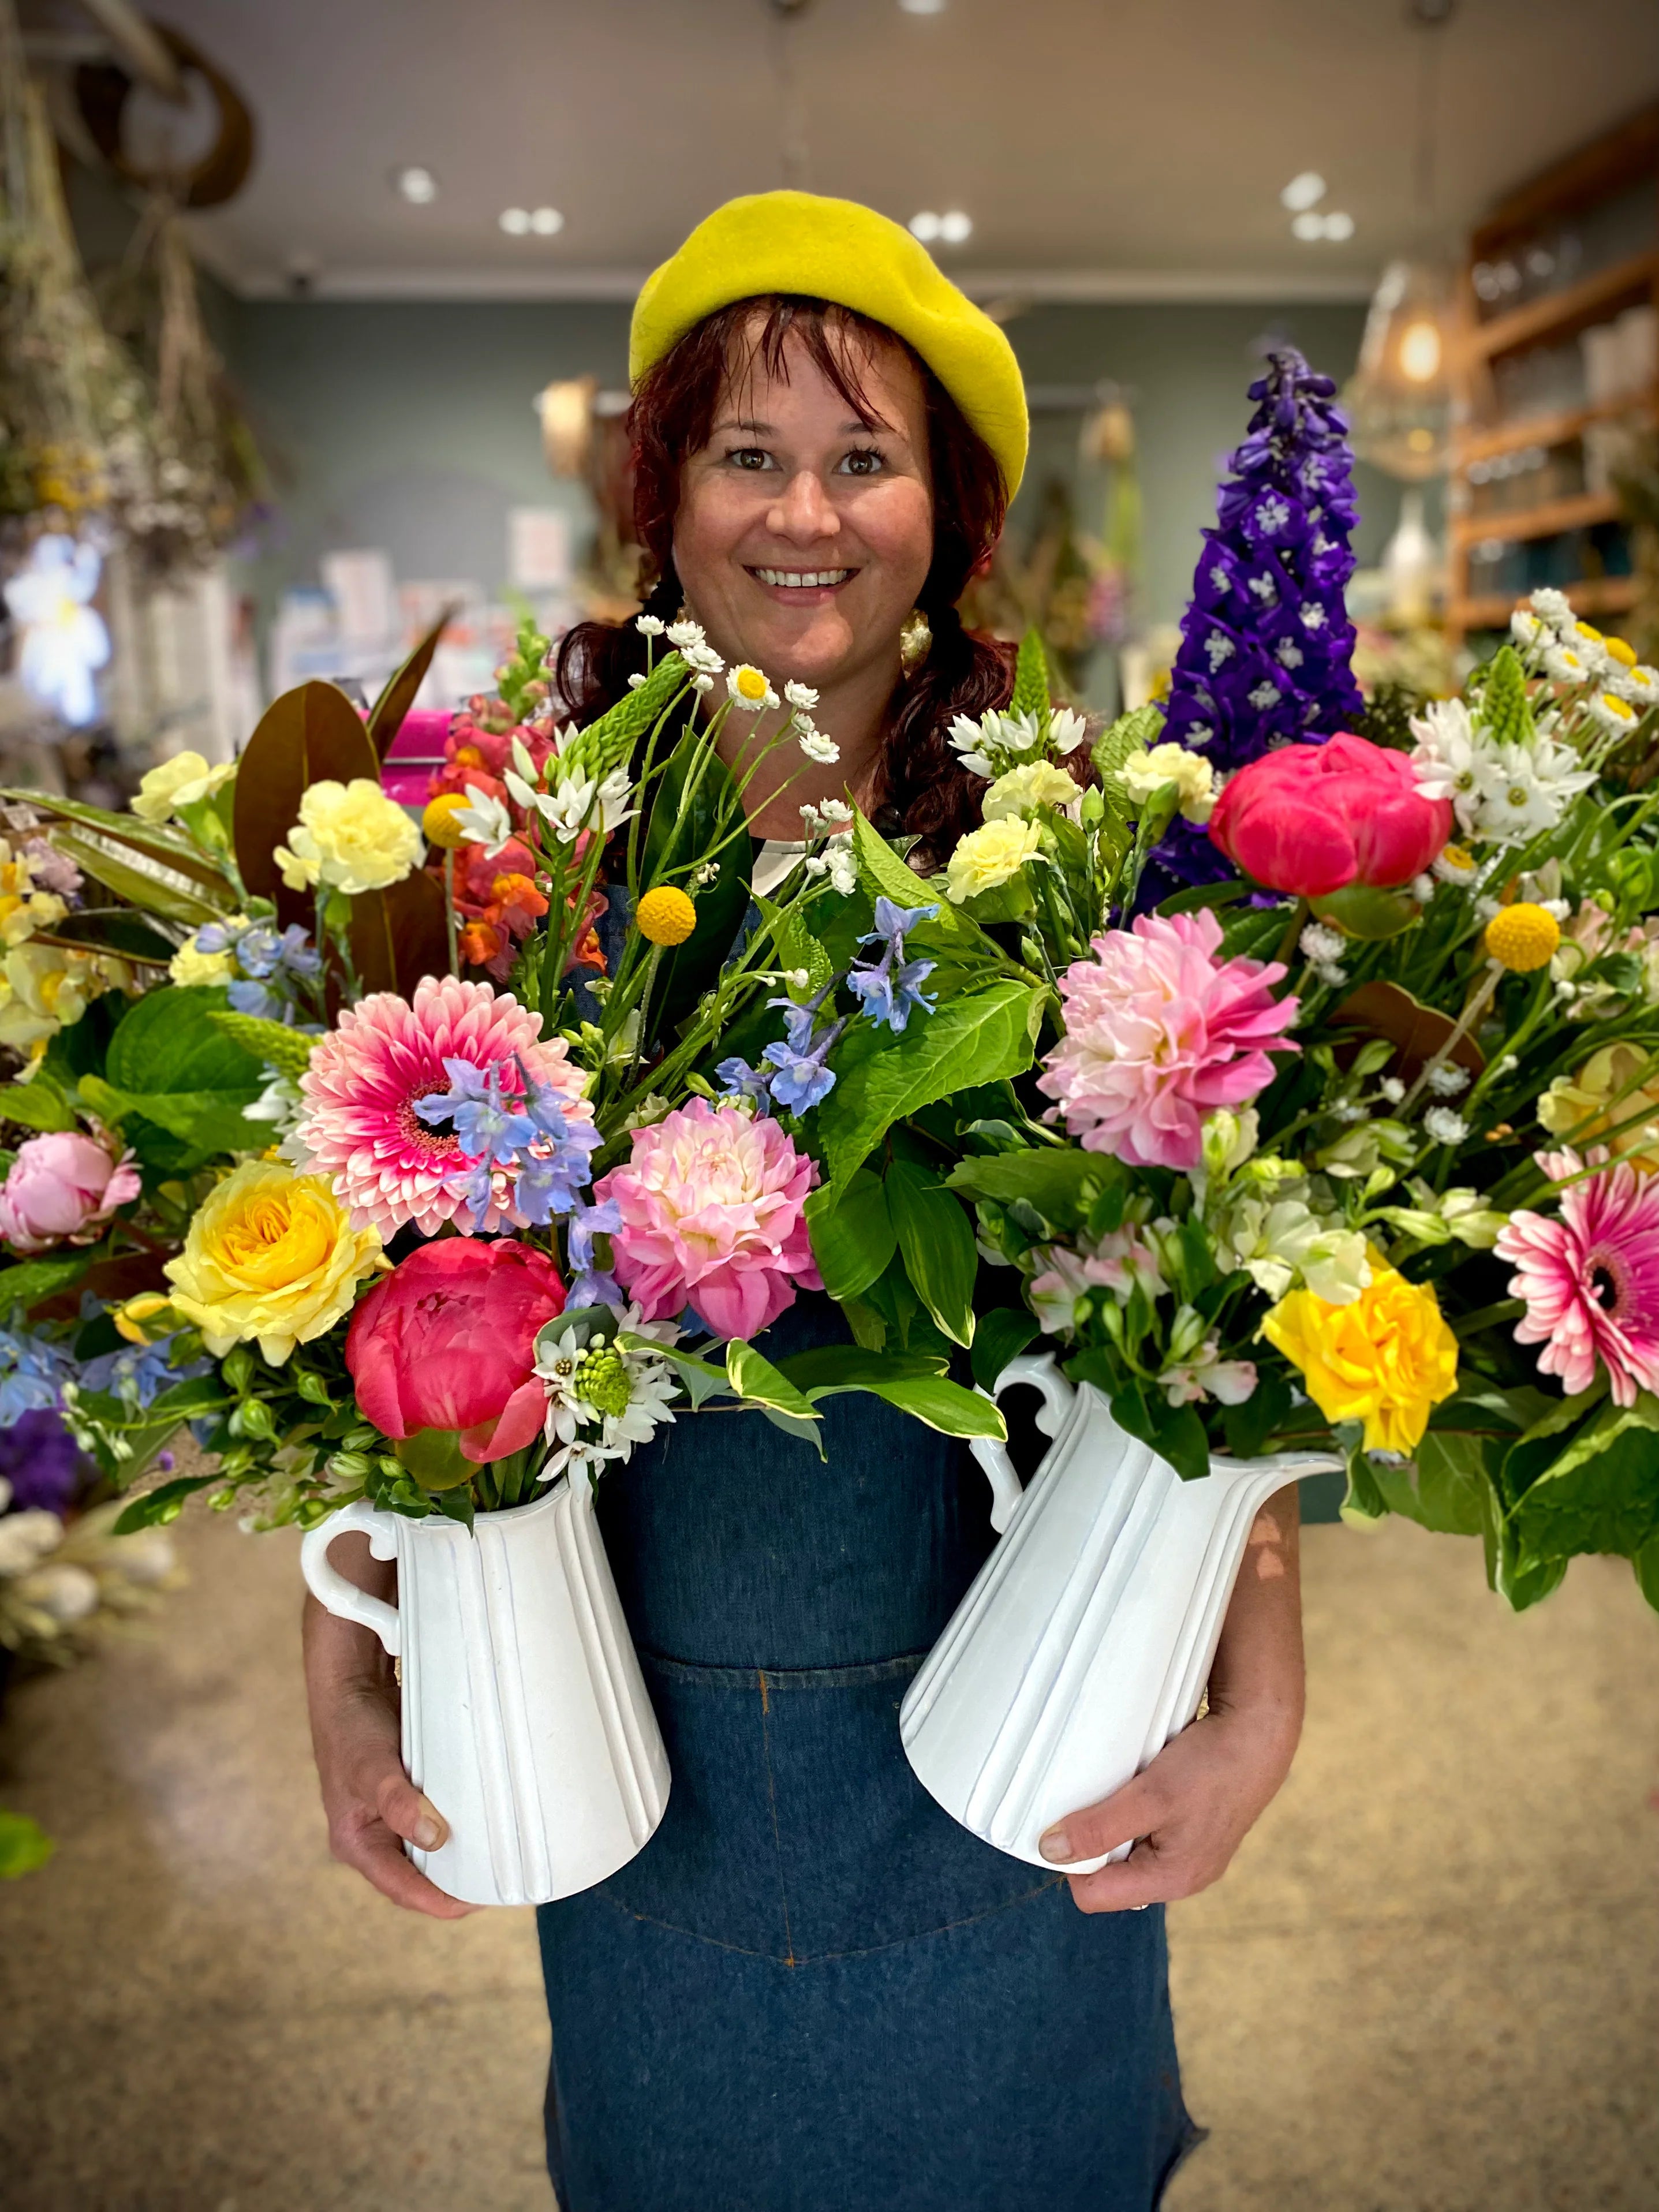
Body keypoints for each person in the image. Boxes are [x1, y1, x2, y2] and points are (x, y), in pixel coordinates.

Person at [304, 191, 1307, 2212]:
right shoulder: (512, 861)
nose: (805, 515)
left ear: (953, 508)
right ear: (658, 492)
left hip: (1034, 1692)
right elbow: (368, 1293)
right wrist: (340, 1677)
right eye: (746, 454)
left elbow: (1226, 1307)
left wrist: (1258, 1692)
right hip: (620, 1730)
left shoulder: (1084, 851)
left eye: (867, 459)